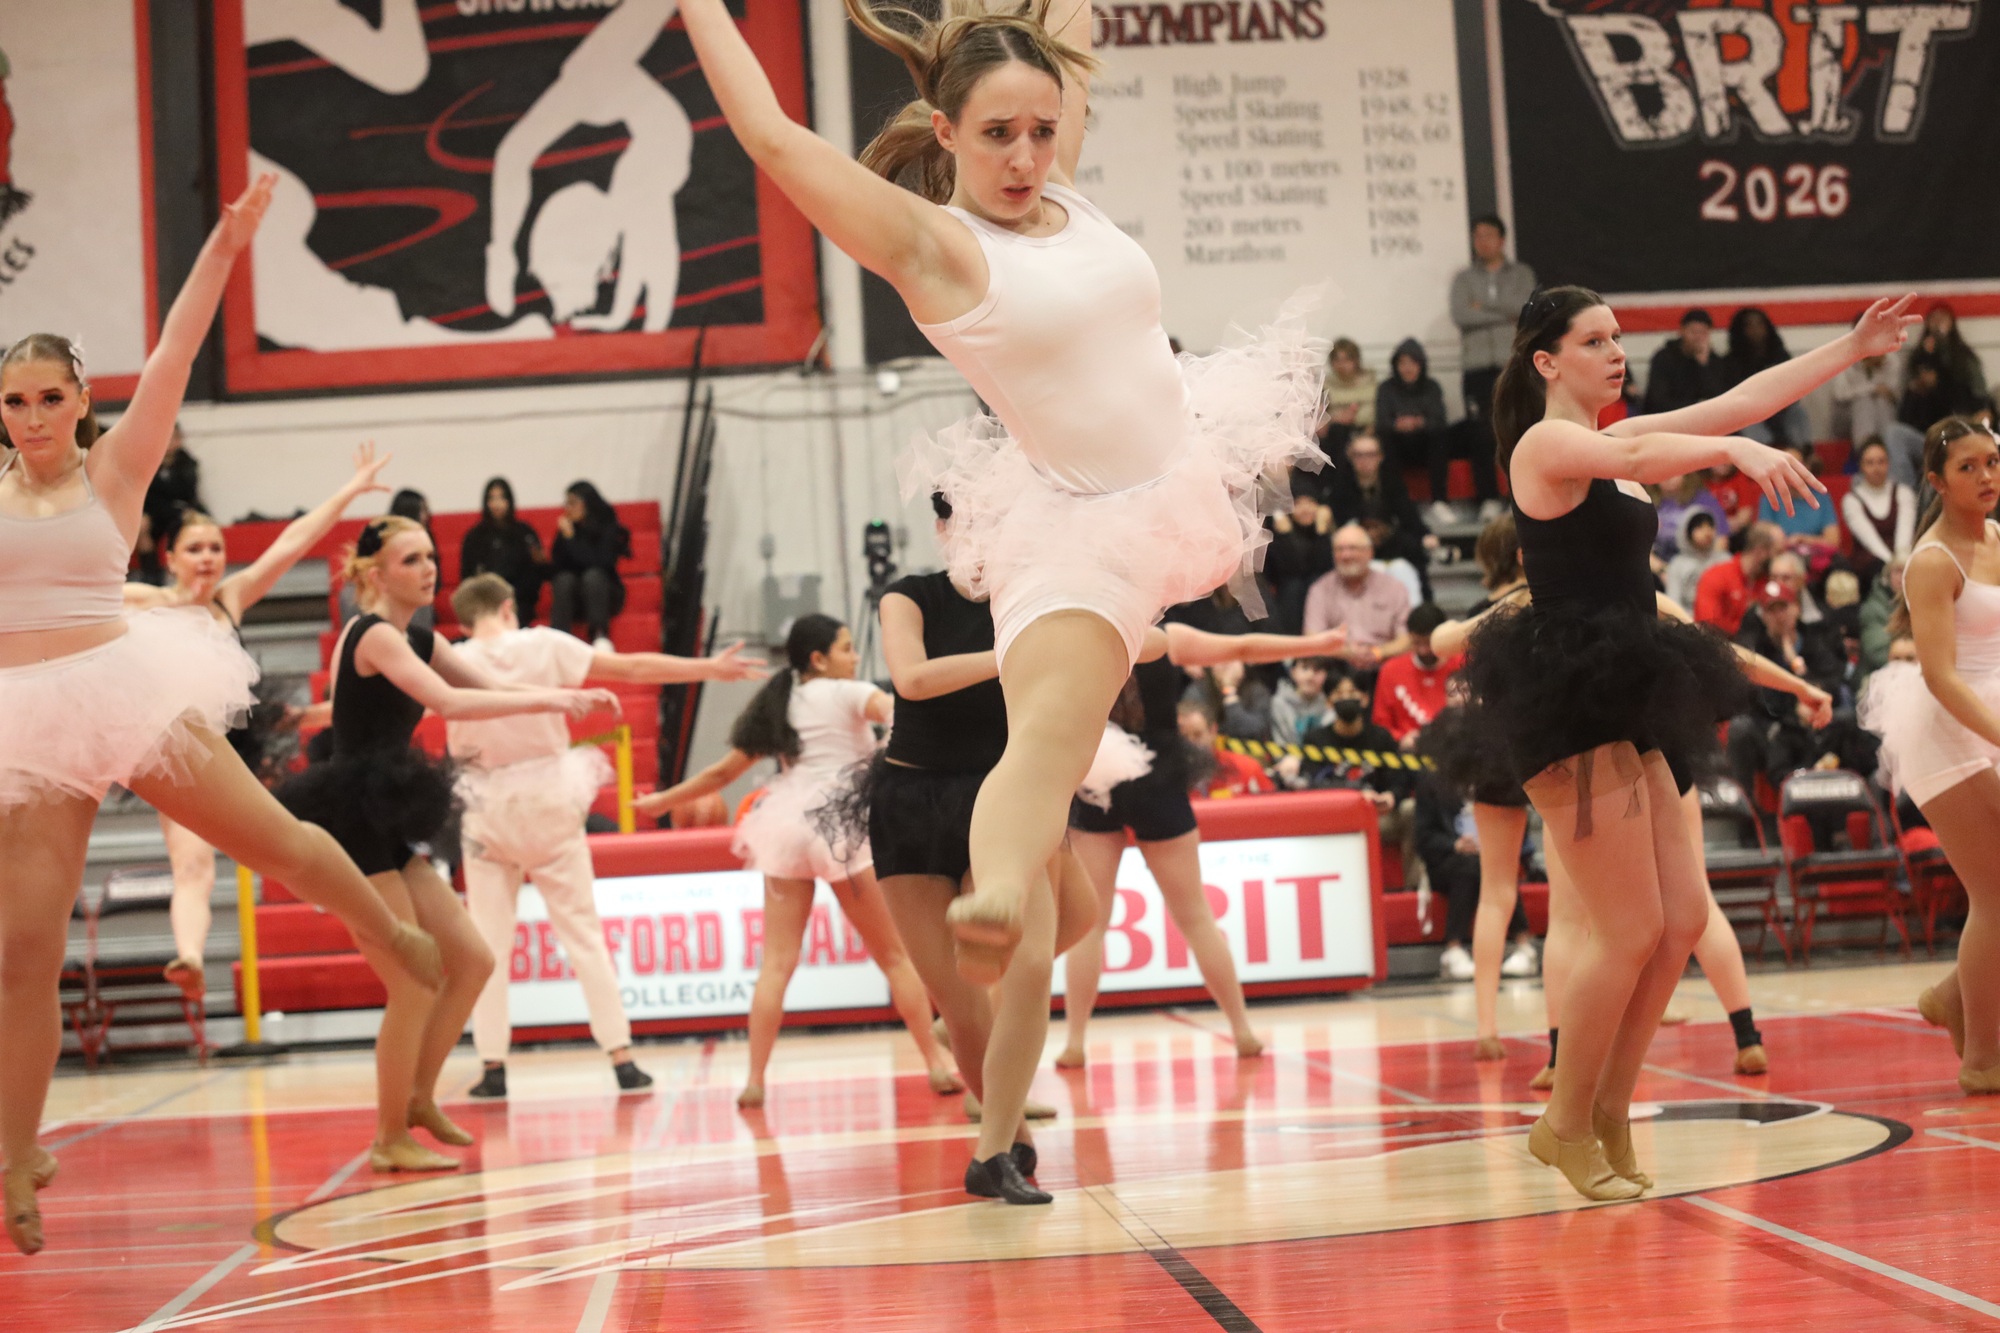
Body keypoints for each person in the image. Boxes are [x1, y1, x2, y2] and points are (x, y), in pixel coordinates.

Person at [0, 178, 450, 1258]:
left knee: (279, 840)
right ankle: (17, 1154)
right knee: (22, 949)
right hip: (25, 721)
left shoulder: (115, 468)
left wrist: (223, 246)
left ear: (81, 400)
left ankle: (390, 931)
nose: (32, 417)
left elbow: (176, 351)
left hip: (118, 684)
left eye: (49, 397)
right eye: (14, 402)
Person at [1460, 283, 1912, 1201]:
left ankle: (1611, 1108)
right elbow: (1661, 450)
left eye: (1618, 337)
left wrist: (1850, 350)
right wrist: (1733, 452)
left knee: (1677, 925)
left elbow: (1739, 400)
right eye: (1595, 340)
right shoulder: (1545, 444)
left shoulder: (1617, 436)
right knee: (1627, 928)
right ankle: (1561, 1122)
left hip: (1639, 684)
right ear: (1547, 361)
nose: (1616, 352)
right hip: (1572, 700)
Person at [279, 516, 621, 1174]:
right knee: (413, 980)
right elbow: (451, 703)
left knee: (472, 960)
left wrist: (561, 697)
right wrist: (554, 700)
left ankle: (417, 1098)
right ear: (375, 574)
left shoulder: (419, 635)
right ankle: (388, 1135)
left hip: (382, 815)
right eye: (412, 559)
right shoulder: (373, 635)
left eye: (431, 556)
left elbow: (485, 687)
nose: (429, 568)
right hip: (351, 821)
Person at [445, 573, 768, 1101]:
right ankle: (621, 1057)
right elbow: (633, 667)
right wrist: (708, 668)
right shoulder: (543, 643)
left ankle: (493, 1064)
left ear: (462, 622)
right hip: (549, 796)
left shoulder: (452, 659)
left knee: (489, 944)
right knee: (584, 935)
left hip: (485, 804)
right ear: (508, 608)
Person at [633, 614, 961, 1109]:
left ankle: (754, 1079)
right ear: (819, 659)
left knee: (776, 964)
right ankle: (936, 1064)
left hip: (786, 827)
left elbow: (722, 773)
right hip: (841, 827)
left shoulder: (780, 702)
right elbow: (901, 712)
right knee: (895, 958)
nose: (855, 656)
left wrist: (663, 801)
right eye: (847, 648)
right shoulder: (849, 692)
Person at [124, 443, 396, 1002]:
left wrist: (350, 491)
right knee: (192, 864)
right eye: (194, 549)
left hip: (237, 752)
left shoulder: (231, 599)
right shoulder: (142, 601)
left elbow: (293, 542)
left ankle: (372, 922)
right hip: (176, 755)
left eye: (215, 548)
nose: (207, 558)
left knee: (288, 850)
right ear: (170, 558)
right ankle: (190, 956)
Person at [1060, 627, 1346, 1072]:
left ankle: (1075, 1041)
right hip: (1155, 776)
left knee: (1091, 925)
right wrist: (1316, 645)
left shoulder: (1079, 636)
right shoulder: (1159, 637)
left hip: (1097, 776)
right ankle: (1242, 1030)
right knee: (1194, 916)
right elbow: (1241, 646)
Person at [1858, 418, 2000, 1095]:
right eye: (1969, 467)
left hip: (1990, 714)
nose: (1987, 476)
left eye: (1992, 462)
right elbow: (1942, 677)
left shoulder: (1997, 538)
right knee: (1994, 895)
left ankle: (1950, 995)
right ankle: (1983, 1059)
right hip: (1948, 727)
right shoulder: (1933, 560)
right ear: (1938, 482)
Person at [1448, 214, 1534, 523]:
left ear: (1501, 239)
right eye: (1477, 236)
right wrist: (1504, 315)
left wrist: (1481, 307)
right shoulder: (1464, 279)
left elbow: (1524, 309)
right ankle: (1486, 498)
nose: (1481, 242)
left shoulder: (1521, 274)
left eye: (1487, 235)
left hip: (1514, 364)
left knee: (1519, 429)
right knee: (1481, 433)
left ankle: (1522, 496)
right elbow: (1461, 315)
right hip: (1477, 367)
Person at [1321, 431, 1439, 600]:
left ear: (1380, 457)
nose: (1365, 460)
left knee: (1409, 553)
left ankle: (1421, 606)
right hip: (1355, 545)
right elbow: (1340, 522)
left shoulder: (1392, 483)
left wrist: (1425, 535)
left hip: (1390, 543)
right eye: (1359, 455)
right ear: (1350, 457)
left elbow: (1409, 516)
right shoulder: (1339, 486)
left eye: (1370, 454)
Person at [1302, 523, 1411, 686]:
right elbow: (1311, 638)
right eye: (1339, 549)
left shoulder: (1394, 588)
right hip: (1336, 672)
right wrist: (1348, 652)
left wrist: (1377, 652)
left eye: (1353, 548)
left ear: (1370, 552)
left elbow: (1407, 639)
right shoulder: (1320, 589)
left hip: (1384, 667)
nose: (1346, 555)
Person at [1375, 337, 1460, 526]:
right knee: (1385, 440)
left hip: (1425, 447)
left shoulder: (1431, 386)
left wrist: (1418, 423)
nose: (1407, 368)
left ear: (1421, 365)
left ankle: (1439, 502)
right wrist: (1398, 425)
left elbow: (1439, 419)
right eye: (1402, 363)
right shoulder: (1386, 388)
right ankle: (1395, 505)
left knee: (1440, 436)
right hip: (1398, 447)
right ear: (1395, 365)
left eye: (1412, 363)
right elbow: (1382, 422)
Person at [549, 481, 631, 650]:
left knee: (592, 576)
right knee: (564, 579)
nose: (568, 508)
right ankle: (559, 639)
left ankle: (600, 636)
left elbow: (600, 562)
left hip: (603, 595)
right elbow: (557, 567)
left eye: (573, 503)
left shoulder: (607, 525)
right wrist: (565, 538)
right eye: (566, 503)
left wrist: (571, 539)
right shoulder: (568, 528)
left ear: (587, 503)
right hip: (575, 599)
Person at [460, 477, 546, 625]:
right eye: (492, 498)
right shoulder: (475, 536)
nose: (497, 504)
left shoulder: (524, 532)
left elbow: (536, 574)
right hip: (485, 601)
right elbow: (467, 575)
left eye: (501, 498)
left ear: (509, 501)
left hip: (519, 600)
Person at [1370, 602, 1457, 749]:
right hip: (1407, 752)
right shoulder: (1391, 670)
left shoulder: (1462, 664)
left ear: (1442, 638)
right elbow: (1381, 723)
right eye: (1417, 643)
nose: (1423, 650)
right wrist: (1400, 738)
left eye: (1429, 643)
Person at [1724, 307, 1811, 449]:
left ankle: (1806, 452)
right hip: (1751, 412)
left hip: (1780, 408)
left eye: (1759, 324)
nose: (1755, 329)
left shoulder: (1780, 356)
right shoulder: (1731, 362)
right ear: (1740, 330)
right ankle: (1763, 451)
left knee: (1797, 411)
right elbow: (1734, 398)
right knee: (1746, 420)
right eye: (1749, 325)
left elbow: (1794, 387)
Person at [1843, 437, 1917, 593]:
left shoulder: (1904, 492)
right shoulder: (1851, 500)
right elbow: (1869, 540)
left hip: (1903, 557)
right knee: (1877, 570)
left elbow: (1905, 535)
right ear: (1861, 466)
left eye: (1881, 461)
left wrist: (1900, 565)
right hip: (1870, 564)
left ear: (1888, 463)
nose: (1876, 468)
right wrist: (1892, 567)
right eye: (1870, 463)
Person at [135, 424, 205, 584]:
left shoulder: (188, 464)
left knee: (184, 525)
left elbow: (188, 495)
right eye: (165, 437)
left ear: (179, 440)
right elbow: (146, 494)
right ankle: (151, 574)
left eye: (173, 437)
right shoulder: (147, 463)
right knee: (141, 526)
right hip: (154, 511)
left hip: (177, 512)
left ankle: (180, 573)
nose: (169, 442)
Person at [1262, 484, 1332, 633]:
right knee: (1293, 586)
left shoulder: (1326, 533)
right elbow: (1293, 570)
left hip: (1324, 599)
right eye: (1298, 504)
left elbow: (1322, 569)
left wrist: (1321, 532)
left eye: (1310, 502)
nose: (1305, 509)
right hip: (1289, 601)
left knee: (1314, 581)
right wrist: (1286, 536)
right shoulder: (1279, 535)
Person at [1694, 519, 1783, 634]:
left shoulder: (1771, 581)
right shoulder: (1717, 576)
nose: (1782, 559)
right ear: (1760, 551)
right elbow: (1707, 624)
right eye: (1778, 552)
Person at [1642, 309, 1729, 417]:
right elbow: (1657, 400)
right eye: (1693, 332)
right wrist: (1694, 407)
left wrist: (1703, 366)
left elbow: (1719, 398)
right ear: (1682, 331)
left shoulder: (1714, 361)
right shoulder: (1664, 357)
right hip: (1668, 417)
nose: (1698, 337)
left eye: (1703, 332)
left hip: (1703, 418)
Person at [1316, 337, 1376, 463]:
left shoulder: (1370, 382)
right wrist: (1337, 419)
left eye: (1347, 359)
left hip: (1369, 429)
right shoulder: (1325, 385)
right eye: (1337, 360)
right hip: (1337, 433)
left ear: (1356, 360)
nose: (1342, 365)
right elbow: (1319, 418)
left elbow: (1379, 411)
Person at [1653, 472, 1728, 563]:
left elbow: (1721, 541)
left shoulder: (1704, 500)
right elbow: (1639, 544)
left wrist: (1706, 567)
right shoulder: (1645, 500)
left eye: (1674, 470)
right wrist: (1659, 567)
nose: (1669, 477)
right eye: (1662, 471)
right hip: (1656, 565)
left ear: (1686, 473)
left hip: (1699, 563)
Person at [1664, 509, 1730, 611]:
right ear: (1686, 532)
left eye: (1710, 526)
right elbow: (1673, 602)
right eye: (1699, 527)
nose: (1707, 532)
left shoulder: (1725, 561)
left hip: (1719, 616)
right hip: (1687, 616)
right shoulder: (1677, 564)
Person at [1859, 554, 1909, 677]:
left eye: (1906, 571)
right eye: (1897, 571)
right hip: (1877, 674)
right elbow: (1877, 652)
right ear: (1887, 576)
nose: (1901, 577)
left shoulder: (1920, 605)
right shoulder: (1874, 608)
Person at [1268, 654, 1334, 746]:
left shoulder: (1331, 705)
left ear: (1326, 674)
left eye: (1317, 670)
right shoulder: (1279, 704)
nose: (1310, 676)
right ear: (1293, 672)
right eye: (1305, 668)